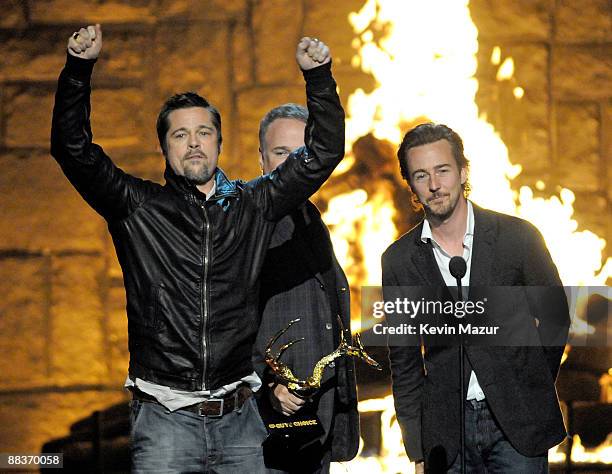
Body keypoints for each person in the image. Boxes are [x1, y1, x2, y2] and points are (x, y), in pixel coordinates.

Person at [51, 24, 345, 473]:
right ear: (164, 147)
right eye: (180, 134)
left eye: (204, 132)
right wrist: (78, 71)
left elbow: (323, 153)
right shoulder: (139, 207)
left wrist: (319, 78)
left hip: (241, 421)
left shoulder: (253, 205)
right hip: (165, 421)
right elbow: (72, 150)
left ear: (219, 143)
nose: (193, 143)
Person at [382, 123, 570, 473]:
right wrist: (417, 448)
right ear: (410, 184)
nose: (435, 185)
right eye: (421, 175)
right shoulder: (398, 261)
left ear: (463, 171)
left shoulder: (518, 238)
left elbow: (556, 317)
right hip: (446, 435)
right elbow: (404, 361)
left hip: (517, 426)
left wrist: (530, 383)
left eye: (443, 171)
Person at [251, 104, 359, 473]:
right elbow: (224, 321)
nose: (293, 165)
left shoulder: (310, 218)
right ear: (261, 159)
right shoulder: (249, 223)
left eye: (302, 154)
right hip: (268, 432)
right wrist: (268, 389)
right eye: (282, 153)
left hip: (314, 429)